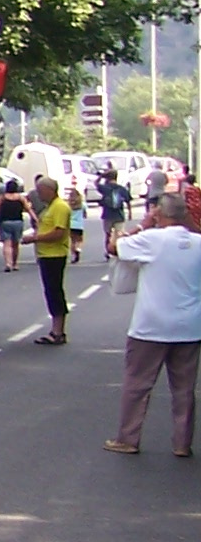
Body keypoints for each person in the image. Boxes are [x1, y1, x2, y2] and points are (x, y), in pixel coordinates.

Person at [104, 190, 201, 456]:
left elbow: (115, 248)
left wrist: (143, 224)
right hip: (190, 327)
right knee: (184, 389)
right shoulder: (198, 243)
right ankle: (182, 443)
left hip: (150, 327)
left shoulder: (151, 239)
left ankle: (128, 438)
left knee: (138, 385)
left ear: (159, 212)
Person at [30, 174, 72, 344]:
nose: (38, 195)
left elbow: (59, 233)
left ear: (49, 190)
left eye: (40, 191)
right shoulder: (50, 207)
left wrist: (35, 239)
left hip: (54, 255)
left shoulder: (59, 207)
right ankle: (56, 329)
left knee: (54, 292)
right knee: (51, 291)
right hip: (46, 255)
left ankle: (58, 331)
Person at [0, 177, 28, 271]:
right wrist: (35, 218)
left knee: (7, 244)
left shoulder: (3, 198)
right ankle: (15, 264)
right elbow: (28, 209)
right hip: (18, 222)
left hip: (5, 222)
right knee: (15, 244)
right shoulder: (20, 198)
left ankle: (8, 263)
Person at [98, 164, 130, 252]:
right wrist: (130, 213)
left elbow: (96, 184)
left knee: (108, 234)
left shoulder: (105, 188)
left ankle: (108, 251)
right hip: (119, 215)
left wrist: (101, 176)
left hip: (107, 214)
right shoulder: (121, 188)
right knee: (119, 234)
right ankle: (118, 249)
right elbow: (128, 200)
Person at [68, 184, 87, 263]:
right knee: (79, 240)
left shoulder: (68, 206)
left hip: (70, 224)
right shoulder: (82, 205)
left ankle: (73, 252)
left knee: (72, 240)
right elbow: (85, 214)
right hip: (79, 225)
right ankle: (78, 249)